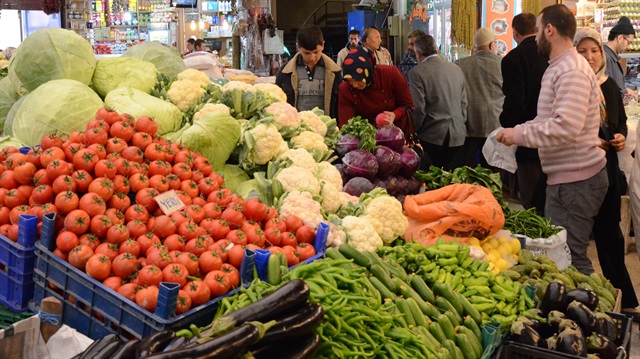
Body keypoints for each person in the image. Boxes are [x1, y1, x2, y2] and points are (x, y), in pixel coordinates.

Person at [496, 4, 608, 275]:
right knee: (561, 256)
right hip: (565, 180)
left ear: (549, 30)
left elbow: (565, 127)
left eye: (537, 31)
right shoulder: (558, 67)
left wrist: (518, 134)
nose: (534, 38)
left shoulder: (571, 70)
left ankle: (591, 315)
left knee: (572, 260)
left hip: (577, 182)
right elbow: (549, 119)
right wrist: (518, 131)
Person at [574, 27, 639, 318]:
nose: (589, 57)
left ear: (602, 53)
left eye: (594, 51)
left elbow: (620, 123)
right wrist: (593, 141)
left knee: (610, 234)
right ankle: (579, 302)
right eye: (582, 51)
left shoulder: (609, 86)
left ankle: (623, 298)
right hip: (577, 173)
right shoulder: (571, 85)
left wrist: (620, 137)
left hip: (606, 171)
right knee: (575, 241)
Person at [500, 13, 549, 214]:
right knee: (549, 196)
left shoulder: (513, 58)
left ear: (514, 32)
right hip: (552, 136)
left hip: (527, 137)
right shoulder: (550, 55)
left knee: (532, 199)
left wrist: (508, 125)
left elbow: (515, 101)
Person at [409, 34, 467, 170]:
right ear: (436, 49)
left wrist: (414, 132)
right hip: (458, 135)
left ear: (417, 54)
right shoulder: (456, 69)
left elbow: (419, 108)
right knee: (451, 181)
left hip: (432, 136)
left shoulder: (417, 72)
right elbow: (464, 103)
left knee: (431, 180)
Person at [455, 28, 503, 168]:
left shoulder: (461, 64)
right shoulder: (502, 63)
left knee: (466, 170)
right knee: (492, 171)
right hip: (495, 123)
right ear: (492, 45)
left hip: (469, 124)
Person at [275, 24, 342, 118]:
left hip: (326, 127)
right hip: (296, 128)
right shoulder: (284, 72)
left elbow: (339, 106)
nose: (312, 57)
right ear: (298, 47)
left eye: (316, 52)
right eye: (307, 53)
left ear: (323, 45)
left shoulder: (335, 72)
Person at [338, 47, 413, 127]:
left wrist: (395, 114)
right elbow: (346, 123)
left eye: (357, 80)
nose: (354, 85)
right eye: (350, 81)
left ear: (369, 72)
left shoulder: (390, 75)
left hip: (396, 129)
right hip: (364, 132)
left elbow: (408, 104)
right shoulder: (345, 88)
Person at [604, 16, 636, 96]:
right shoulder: (606, 58)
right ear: (620, 38)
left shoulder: (612, 57)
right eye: (628, 43)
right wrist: (625, 92)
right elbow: (607, 89)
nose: (628, 47)